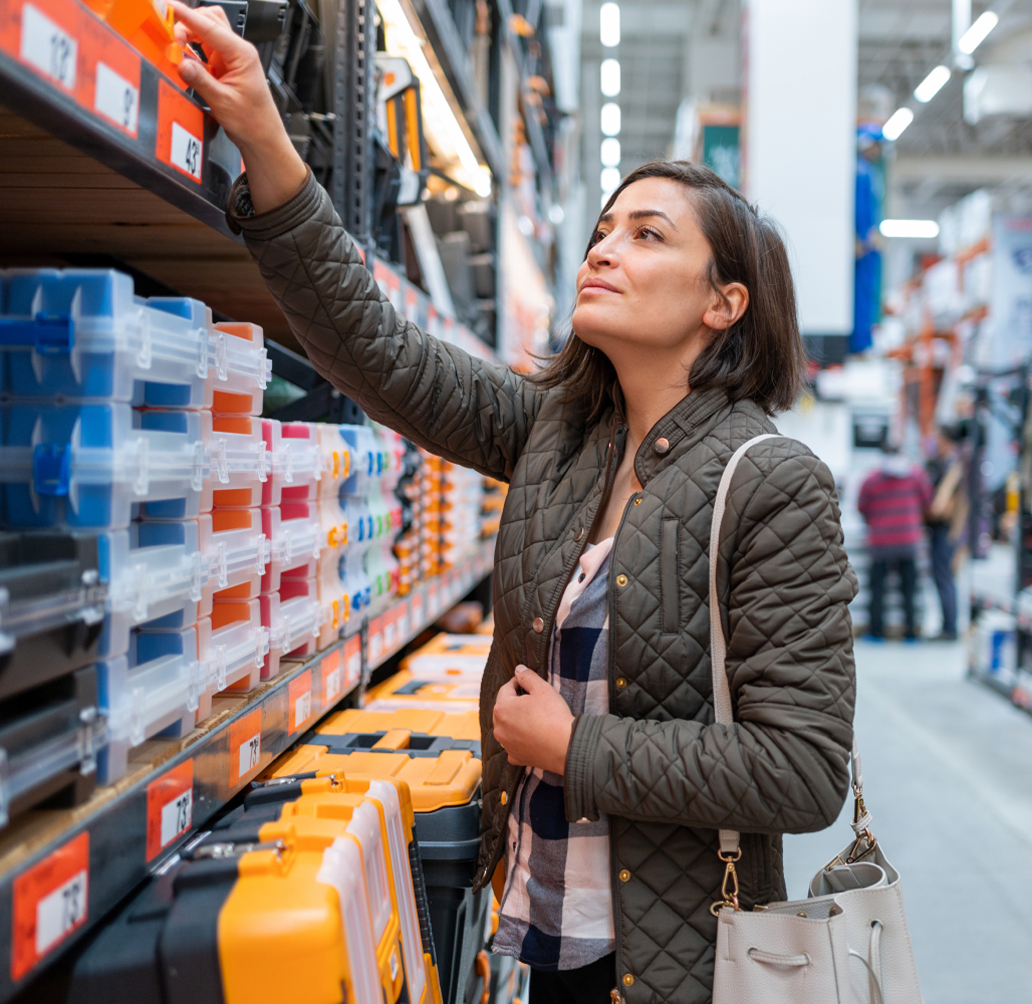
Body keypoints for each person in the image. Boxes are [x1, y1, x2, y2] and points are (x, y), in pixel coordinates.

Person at [170, 7, 858, 1001]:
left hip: (677, 967)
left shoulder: (772, 483)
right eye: (600, 232)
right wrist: (267, 142)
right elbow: (384, 355)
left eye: (646, 235)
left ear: (724, 302)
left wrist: (578, 748)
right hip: (540, 931)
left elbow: (802, 769)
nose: (601, 252)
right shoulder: (563, 438)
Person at [857, 443, 934, 641]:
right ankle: (910, 634)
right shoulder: (915, 475)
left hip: (880, 542)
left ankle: (876, 632)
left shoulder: (871, 479)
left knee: (878, 590)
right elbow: (928, 501)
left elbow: (861, 506)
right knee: (908, 590)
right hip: (908, 541)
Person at [925, 427, 964, 641]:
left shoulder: (952, 466)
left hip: (946, 532)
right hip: (940, 531)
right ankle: (947, 626)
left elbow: (944, 507)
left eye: (938, 438)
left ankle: (949, 628)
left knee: (944, 578)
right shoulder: (940, 464)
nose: (934, 442)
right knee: (942, 579)